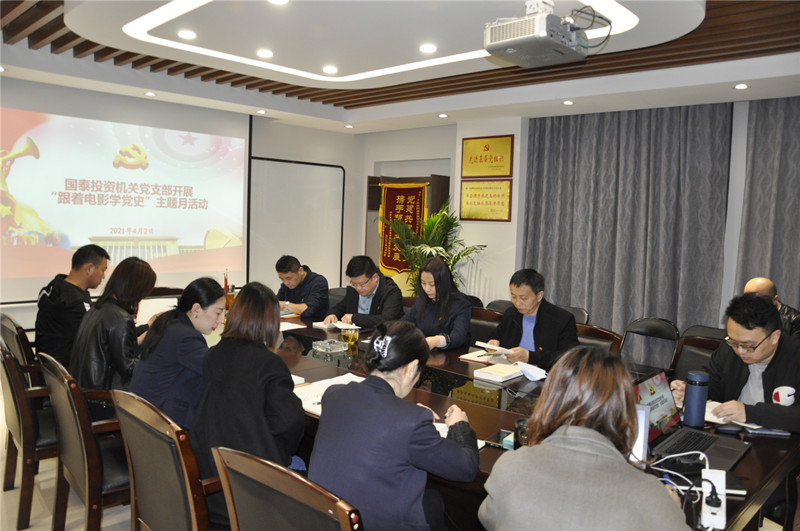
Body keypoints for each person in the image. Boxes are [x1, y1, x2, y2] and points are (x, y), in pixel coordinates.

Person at [479, 346, 688, 530]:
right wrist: (672, 512)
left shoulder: (510, 466)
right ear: (623, 410)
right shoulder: (651, 495)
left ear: (550, 400)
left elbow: (488, 519)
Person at [308, 320, 479, 531]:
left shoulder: (334, 395)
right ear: (412, 367)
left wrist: (408, 412)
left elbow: (373, 419)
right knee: (437, 504)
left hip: (327, 520)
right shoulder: (412, 422)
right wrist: (459, 427)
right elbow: (466, 468)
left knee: (431, 501)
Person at [191, 281, 304, 529]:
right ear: (270, 323)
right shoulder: (269, 364)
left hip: (213, 471)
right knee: (305, 463)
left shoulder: (212, 355)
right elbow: (289, 422)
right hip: (253, 482)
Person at [671, 293, 800, 432]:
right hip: (731, 434)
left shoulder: (795, 357)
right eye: (733, 341)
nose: (740, 351)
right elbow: (712, 385)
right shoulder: (728, 349)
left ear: (774, 337)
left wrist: (749, 413)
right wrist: (689, 390)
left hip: (780, 442)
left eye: (748, 345)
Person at [128, 277, 225, 428]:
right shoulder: (185, 337)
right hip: (159, 426)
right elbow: (218, 370)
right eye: (218, 312)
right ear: (196, 309)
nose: (221, 320)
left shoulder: (170, 323)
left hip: (141, 420)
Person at [69, 256, 156, 418]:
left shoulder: (98, 308)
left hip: (85, 395)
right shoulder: (121, 318)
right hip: (102, 402)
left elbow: (115, 349)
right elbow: (130, 370)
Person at [487, 268, 579, 368]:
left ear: (539, 296)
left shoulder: (562, 319)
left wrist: (530, 357)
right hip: (509, 370)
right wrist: (493, 341)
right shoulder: (512, 314)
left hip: (543, 373)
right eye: (513, 296)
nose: (517, 303)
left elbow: (571, 357)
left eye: (523, 298)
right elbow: (495, 335)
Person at [35, 244, 110, 360]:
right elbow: (99, 340)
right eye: (102, 270)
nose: (103, 276)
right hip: (68, 366)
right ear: (89, 268)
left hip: (49, 363)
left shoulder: (54, 287)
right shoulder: (77, 304)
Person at [402, 256, 471, 350]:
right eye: (423, 283)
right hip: (425, 353)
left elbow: (459, 336)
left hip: (452, 355)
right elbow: (406, 322)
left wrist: (437, 341)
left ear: (443, 282)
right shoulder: (423, 299)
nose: (427, 289)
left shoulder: (460, 304)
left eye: (432, 284)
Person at [323, 255, 403, 328]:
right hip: (356, 335)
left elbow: (386, 320)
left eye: (361, 284)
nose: (358, 288)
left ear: (375, 278)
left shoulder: (391, 292)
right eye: (354, 284)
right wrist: (332, 314)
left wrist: (354, 318)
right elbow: (340, 308)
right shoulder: (353, 290)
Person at [275, 255, 329, 320]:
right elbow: (276, 303)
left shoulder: (318, 282)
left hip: (314, 324)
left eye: (288, 278)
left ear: (300, 271)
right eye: (282, 279)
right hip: (292, 323)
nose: (286, 283)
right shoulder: (286, 285)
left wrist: (285, 305)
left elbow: (308, 310)